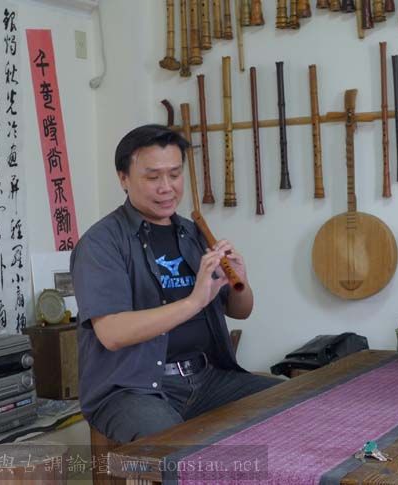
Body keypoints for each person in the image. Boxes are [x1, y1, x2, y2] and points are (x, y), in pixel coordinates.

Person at [71, 124, 281, 444]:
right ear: (123, 178)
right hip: (131, 389)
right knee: (182, 451)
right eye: (153, 177)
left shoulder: (192, 233)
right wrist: (194, 302)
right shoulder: (101, 243)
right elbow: (112, 333)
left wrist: (241, 279)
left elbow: (240, 310)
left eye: (175, 174)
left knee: (295, 403)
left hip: (206, 377)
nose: (167, 187)